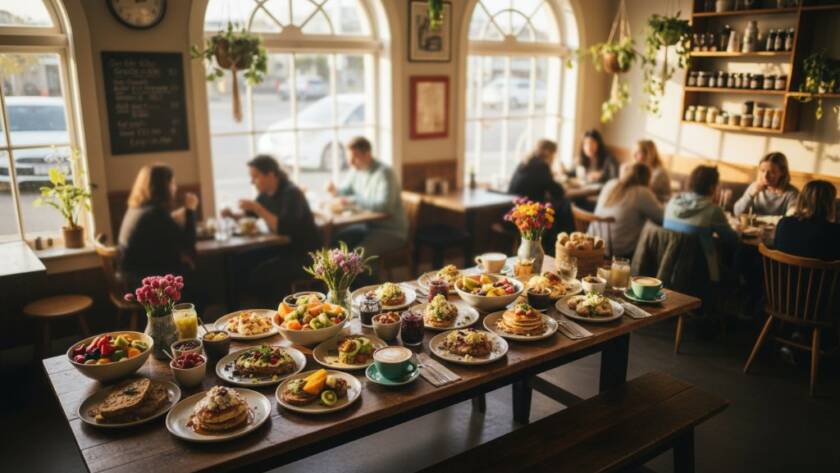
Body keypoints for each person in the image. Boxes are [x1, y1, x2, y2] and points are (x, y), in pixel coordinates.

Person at [222, 155, 322, 303]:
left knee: (265, 273)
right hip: (283, 248)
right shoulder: (265, 194)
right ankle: (239, 309)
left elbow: (283, 228)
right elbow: (250, 216)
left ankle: (272, 312)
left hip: (304, 254)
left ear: (270, 174)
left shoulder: (292, 193)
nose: (252, 182)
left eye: (255, 177)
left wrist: (257, 208)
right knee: (237, 259)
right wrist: (232, 215)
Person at [118, 164, 198, 293]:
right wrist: (190, 210)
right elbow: (187, 245)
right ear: (163, 187)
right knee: (202, 291)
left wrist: (171, 218)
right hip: (146, 284)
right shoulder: (155, 213)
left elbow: (159, 232)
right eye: (172, 183)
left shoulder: (137, 209)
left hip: (131, 277)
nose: (175, 187)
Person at [327, 136, 407, 256]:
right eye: (349, 158)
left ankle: (368, 275)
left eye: (355, 157)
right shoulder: (357, 170)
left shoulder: (385, 173)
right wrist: (335, 191)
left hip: (390, 230)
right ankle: (340, 275)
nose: (351, 162)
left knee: (357, 256)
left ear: (368, 154)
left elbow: (385, 206)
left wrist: (354, 200)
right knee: (337, 241)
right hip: (368, 226)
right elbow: (346, 191)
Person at [664, 165, 738, 282]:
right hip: (698, 270)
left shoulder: (673, 202)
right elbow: (733, 240)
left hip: (667, 264)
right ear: (712, 187)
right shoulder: (713, 210)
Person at [507, 139, 575, 248]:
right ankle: (566, 245)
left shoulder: (525, 162)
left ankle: (563, 244)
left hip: (514, 210)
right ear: (549, 153)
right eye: (554, 154)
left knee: (559, 207)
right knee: (565, 206)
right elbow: (558, 192)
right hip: (527, 213)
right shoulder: (541, 166)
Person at [591, 163, 663, 258]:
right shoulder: (642, 192)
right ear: (648, 180)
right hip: (617, 251)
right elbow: (662, 217)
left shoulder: (611, 183)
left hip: (593, 243)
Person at [774, 180, 840, 261]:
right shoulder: (835, 232)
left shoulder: (784, 223)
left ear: (802, 198)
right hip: (818, 273)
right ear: (830, 204)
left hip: (782, 273)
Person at [734, 152, 799, 216]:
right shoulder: (754, 187)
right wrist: (750, 195)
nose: (765, 176)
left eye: (771, 172)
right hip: (753, 226)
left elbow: (792, 217)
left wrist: (793, 211)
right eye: (762, 171)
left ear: (783, 172)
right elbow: (736, 212)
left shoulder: (792, 193)